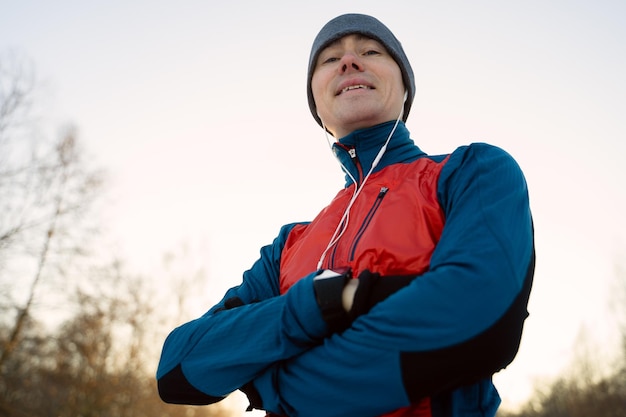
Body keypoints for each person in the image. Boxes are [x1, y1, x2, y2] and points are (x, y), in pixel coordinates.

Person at [156, 13, 535, 417]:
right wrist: (318, 304)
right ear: (316, 104)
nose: (349, 62)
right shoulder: (289, 245)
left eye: (370, 51)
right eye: (329, 58)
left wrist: (273, 384)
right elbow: (179, 368)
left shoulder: (471, 172)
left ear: (405, 87)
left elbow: (477, 323)